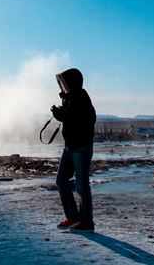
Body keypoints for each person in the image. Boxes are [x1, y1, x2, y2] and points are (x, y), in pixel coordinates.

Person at [51, 67, 97, 232]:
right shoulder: (70, 98)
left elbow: (81, 118)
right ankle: (72, 216)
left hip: (81, 147)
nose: (62, 86)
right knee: (61, 181)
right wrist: (61, 112)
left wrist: (61, 115)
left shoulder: (81, 98)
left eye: (64, 82)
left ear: (72, 82)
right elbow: (70, 117)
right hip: (70, 146)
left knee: (82, 185)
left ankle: (86, 221)